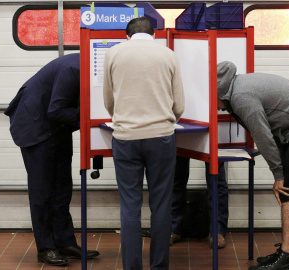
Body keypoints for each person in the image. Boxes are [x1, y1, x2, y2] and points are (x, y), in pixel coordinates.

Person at [217, 61, 289, 270]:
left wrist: (278, 174)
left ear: (218, 93)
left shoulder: (241, 98)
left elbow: (263, 137)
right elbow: (272, 133)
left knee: (288, 189)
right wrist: (280, 171)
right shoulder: (239, 86)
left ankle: (287, 256)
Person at [103, 17, 184, 270]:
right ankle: (159, 266)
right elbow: (179, 104)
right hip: (161, 137)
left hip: (126, 137)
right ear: (154, 35)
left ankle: (132, 267)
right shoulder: (168, 54)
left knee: (130, 206)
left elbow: (108, 99)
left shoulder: (114, 53)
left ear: (126, 35)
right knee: (161, 205)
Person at [4, 53, 100, 266]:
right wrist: (88, 118)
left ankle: (65, 242)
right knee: (42, 190)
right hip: (35, 125)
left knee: (63, 187)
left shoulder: (91, 67)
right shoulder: (74, 69)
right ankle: (46, 247)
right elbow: (56, 110)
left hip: (57, 127)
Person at [170, 157, 228, 248]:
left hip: (212, 142)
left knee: (216, 180)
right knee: (176, 177)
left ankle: (218, 231)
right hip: (181, 142)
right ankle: (173, 229)